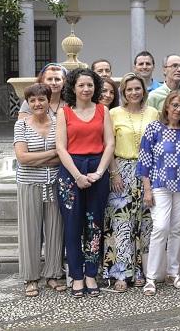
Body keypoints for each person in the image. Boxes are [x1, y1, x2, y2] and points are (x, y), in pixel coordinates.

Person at [56, 68, 115, 298]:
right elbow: (61, 147)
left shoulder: (103, 110)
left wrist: (99, 173)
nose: (86, 89)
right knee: (72, 225)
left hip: (97, 169)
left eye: (90, 85)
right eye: (81, 85)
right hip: (71, 171)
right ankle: (77, 276)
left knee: (95, 223)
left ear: (95, 87)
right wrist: (77, 175)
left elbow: (109, 144)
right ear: (73, 87)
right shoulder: (65, 112)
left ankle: (91, 273)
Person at [102, 72, 159, 292]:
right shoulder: (113, 113)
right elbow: (108, 145)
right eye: (129, 89)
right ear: (123, 93)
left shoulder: (154, 113)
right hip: (121, 170)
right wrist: (114, 172)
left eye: (137, 88)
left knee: (146, 223)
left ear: (143, 91)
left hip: (148, 172)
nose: (133, 92)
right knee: (122, 224)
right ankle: (120, 273)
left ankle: (141, 270)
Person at [137, 90, 180, 296]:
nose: (177, 110)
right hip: (160, 184)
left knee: (178, 228)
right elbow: (144, 159)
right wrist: (147, 189)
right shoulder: (154, 128)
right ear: (167, 107)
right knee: (160, 227)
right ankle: (151, 277)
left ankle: (173, 272)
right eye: (174, 105)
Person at [14, 83, 66, 297]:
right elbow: (22, 158)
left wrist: (52, 156)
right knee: (29, 230)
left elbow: (63, 156)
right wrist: (53, 152)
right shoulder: (22, 125)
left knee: (55, 228)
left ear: (48, 101)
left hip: (54, 182)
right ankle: (31, 277)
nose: (37, 103)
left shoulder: (58, 122)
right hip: (29, 183)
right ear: (28, 103)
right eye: (32, 100)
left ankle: (53, 274)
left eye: (41, 99)